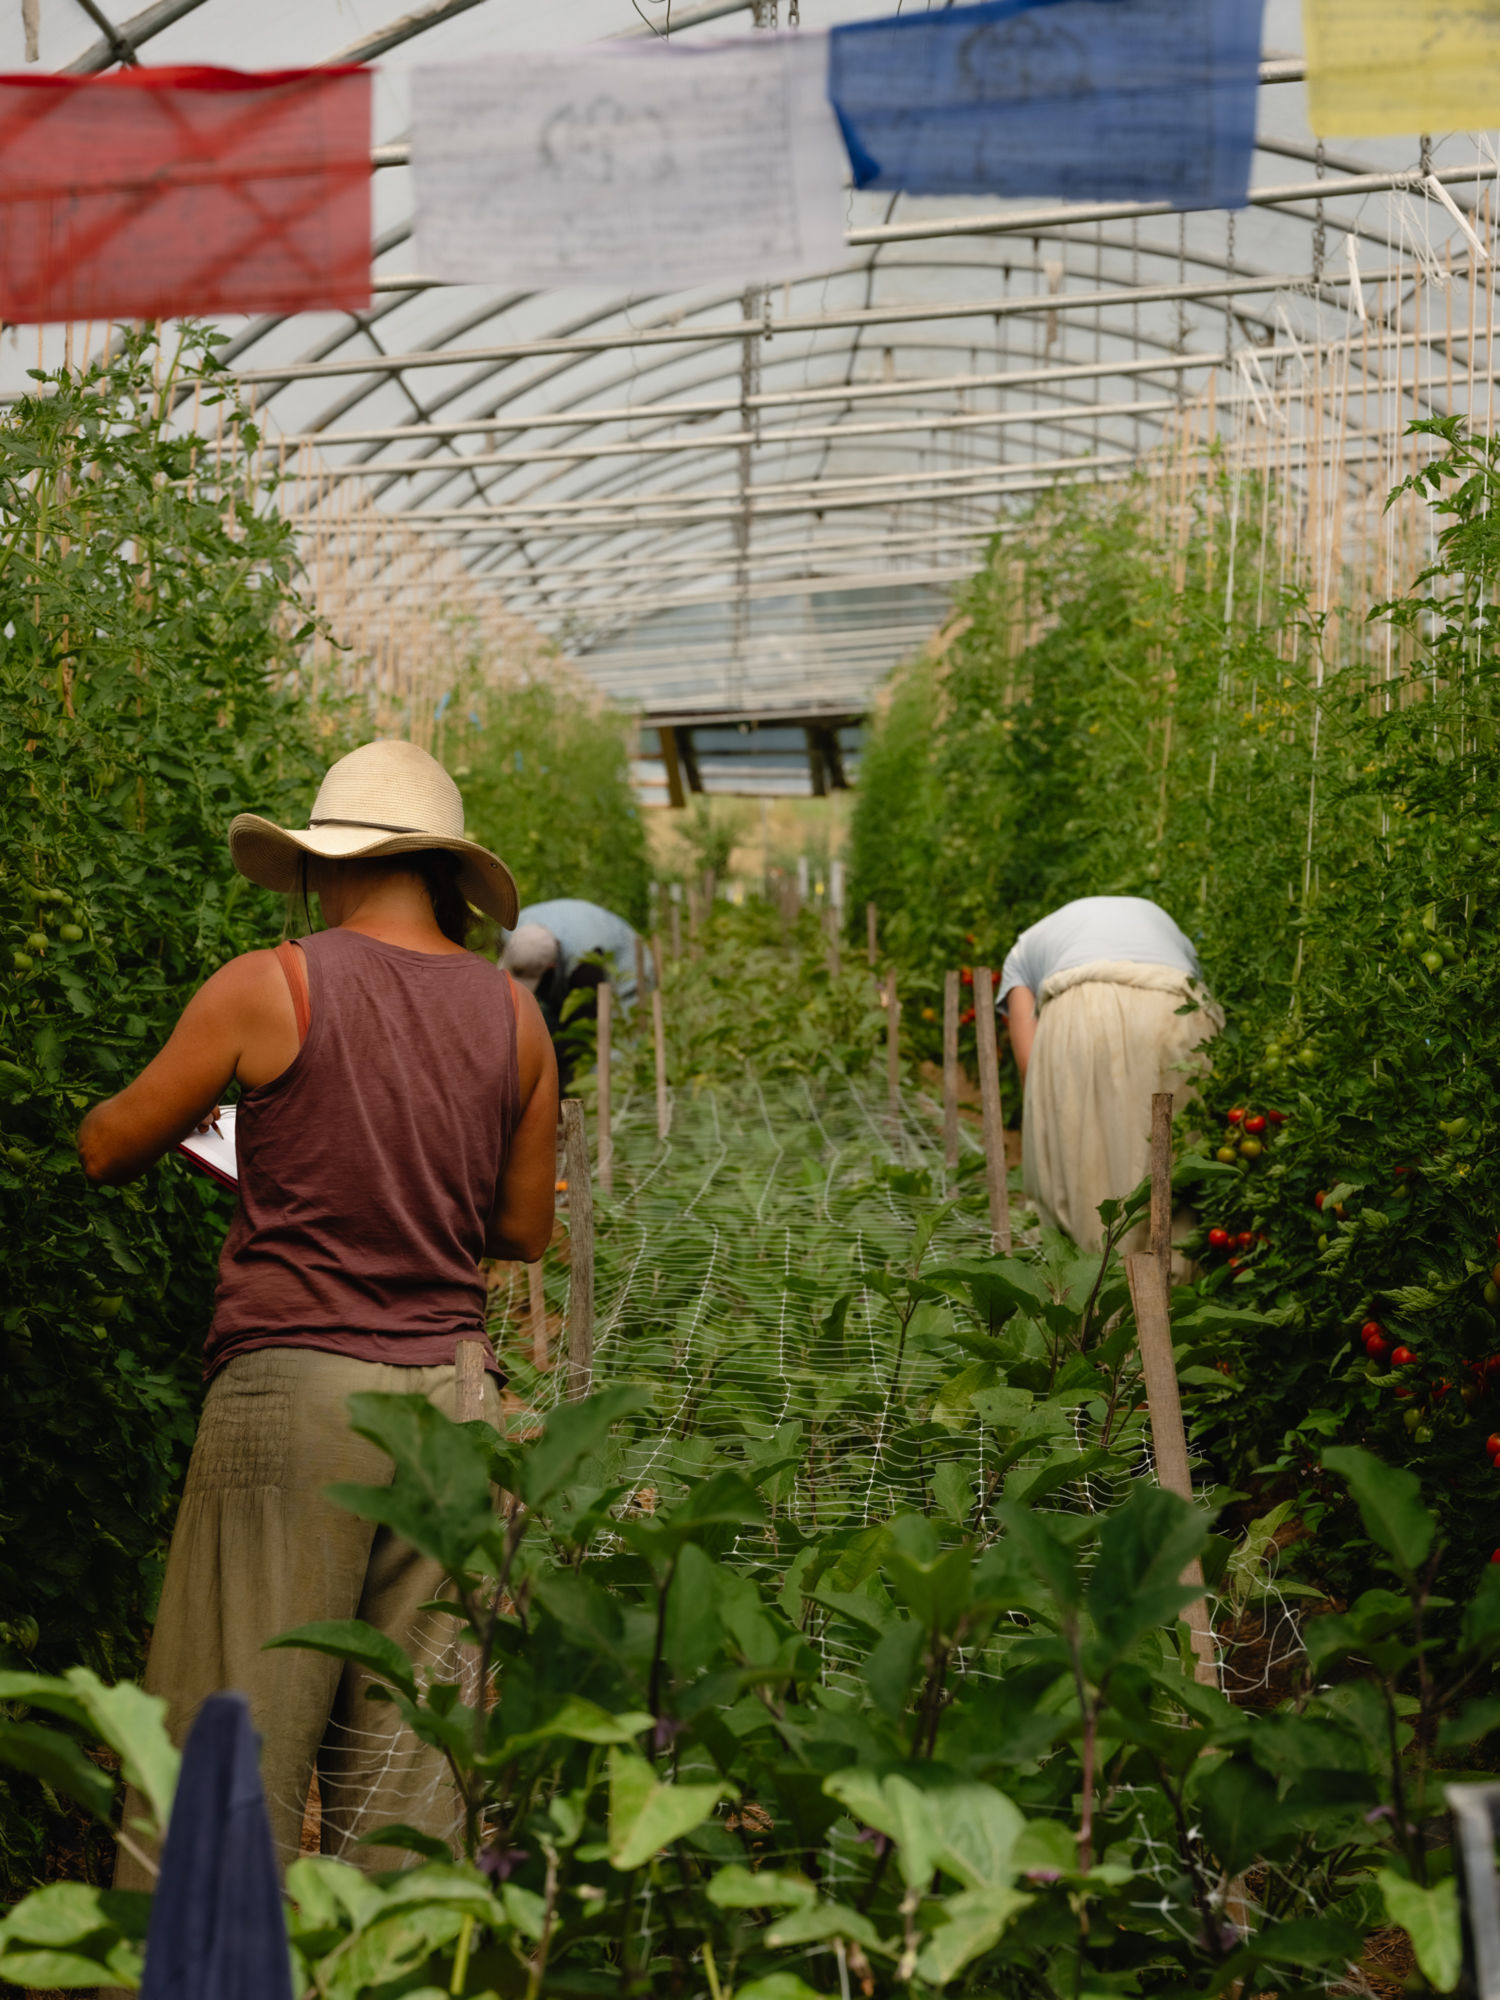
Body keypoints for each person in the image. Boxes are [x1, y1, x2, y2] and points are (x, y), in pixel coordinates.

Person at [77, 739, 558, 1880]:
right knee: (412, 1779)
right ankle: (403, 1953)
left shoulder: (274, 982)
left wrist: (270, 1155)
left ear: (325, 864)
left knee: (227, 1741)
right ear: (441, 870)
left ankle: (202, 1954)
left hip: (297, 1392)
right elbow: (521, 1228)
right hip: (453, 1403)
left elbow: (109, 1145)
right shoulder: (514, 1016)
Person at [998, 894, 1222, 1252]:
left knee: (1083, 1172)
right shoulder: (1168, 928)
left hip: (1083, 1007)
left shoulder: (1020, 956)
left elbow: (1030, 1063)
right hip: (1178, 1004)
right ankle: (1173, 1282)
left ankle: (1095, 1280)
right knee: (1174, 1163)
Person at [502, 897, 645, 1090]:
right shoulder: (512, 931)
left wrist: (551, 1062)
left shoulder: (586, 965)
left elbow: (584, 1021)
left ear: (551, 966)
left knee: (615, 1053)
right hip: (568, 950)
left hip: (625, 968)